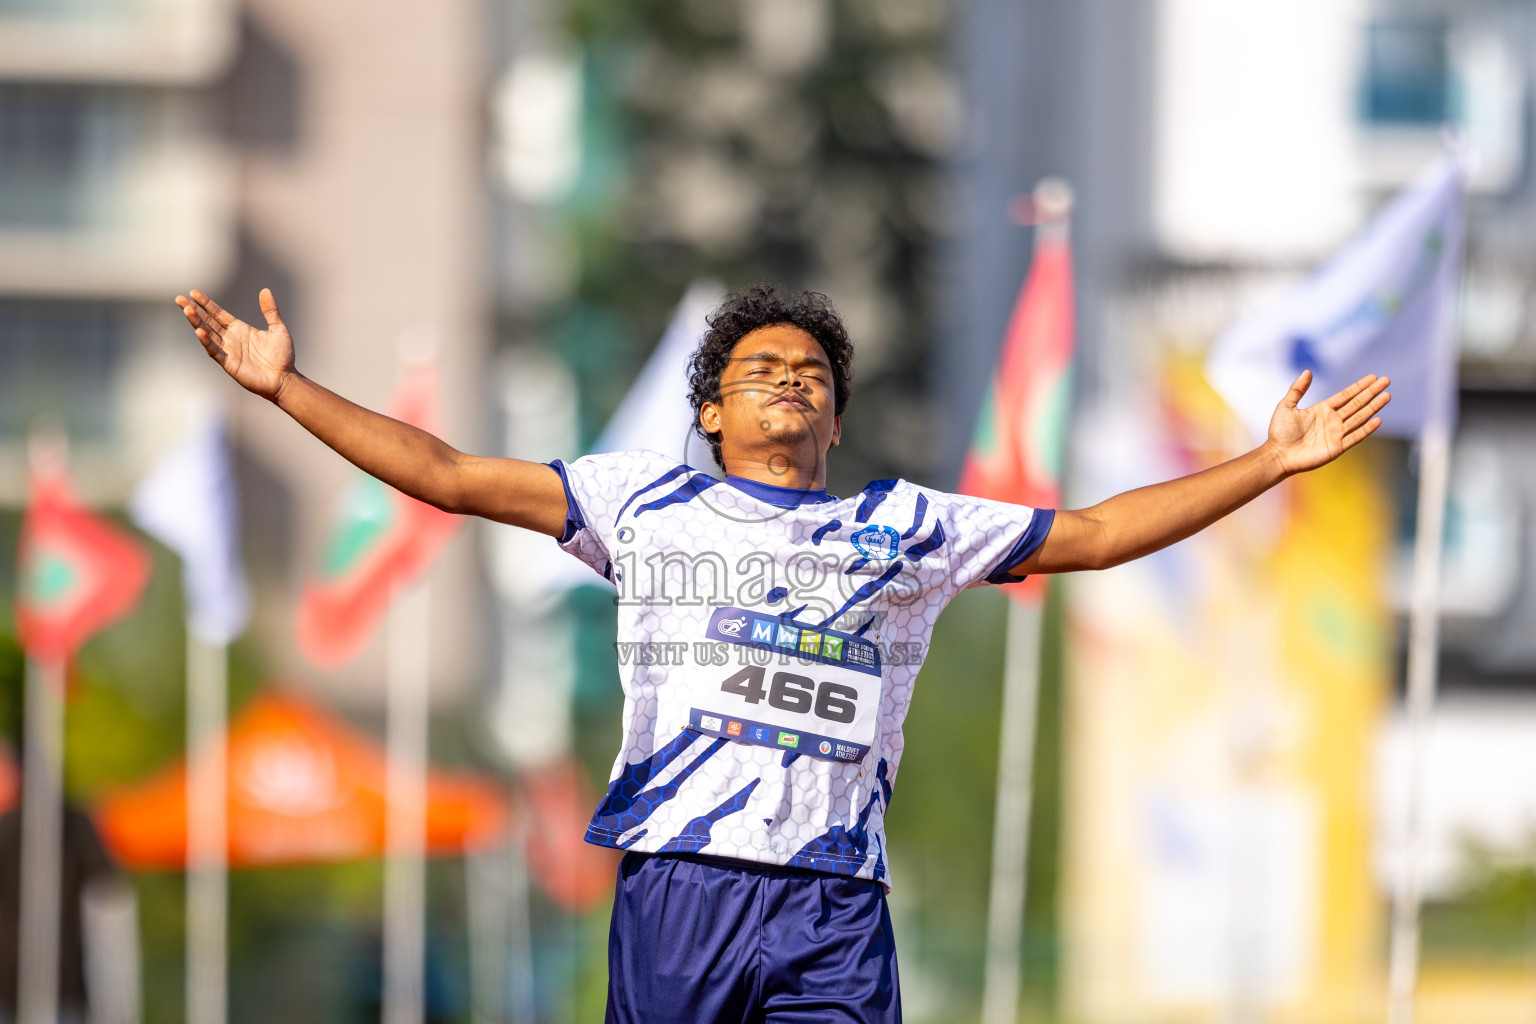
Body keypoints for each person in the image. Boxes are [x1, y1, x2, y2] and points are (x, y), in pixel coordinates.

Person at [175, 283, 1390, 1023]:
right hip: (678, 882)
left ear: (838, 417)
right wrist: (291, 391)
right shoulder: (639, 502)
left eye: (811, 373)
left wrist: (1267, 464)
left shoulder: (906, 527)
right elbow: (441, 475)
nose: (789, 384)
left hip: (833, 899)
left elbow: (1094, 532)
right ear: (712, 412)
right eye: (761, 371)